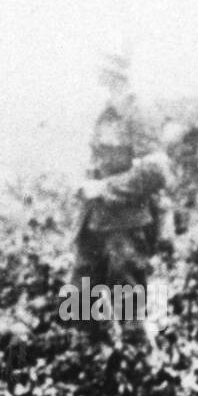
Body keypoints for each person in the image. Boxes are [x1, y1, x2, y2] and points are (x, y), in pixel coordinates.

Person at [72, 52, 168, 344]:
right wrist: (88, 182)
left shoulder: (140, 112)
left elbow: (156, 171)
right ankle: (80, 357)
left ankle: (139, 368)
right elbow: (99, 158)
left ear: (114, 77)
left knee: (128, 302)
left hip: (126, 223)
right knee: (78, 297)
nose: (98, 81)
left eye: (102, 75)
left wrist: (104, 188)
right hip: (94, 219)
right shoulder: (107, 113)